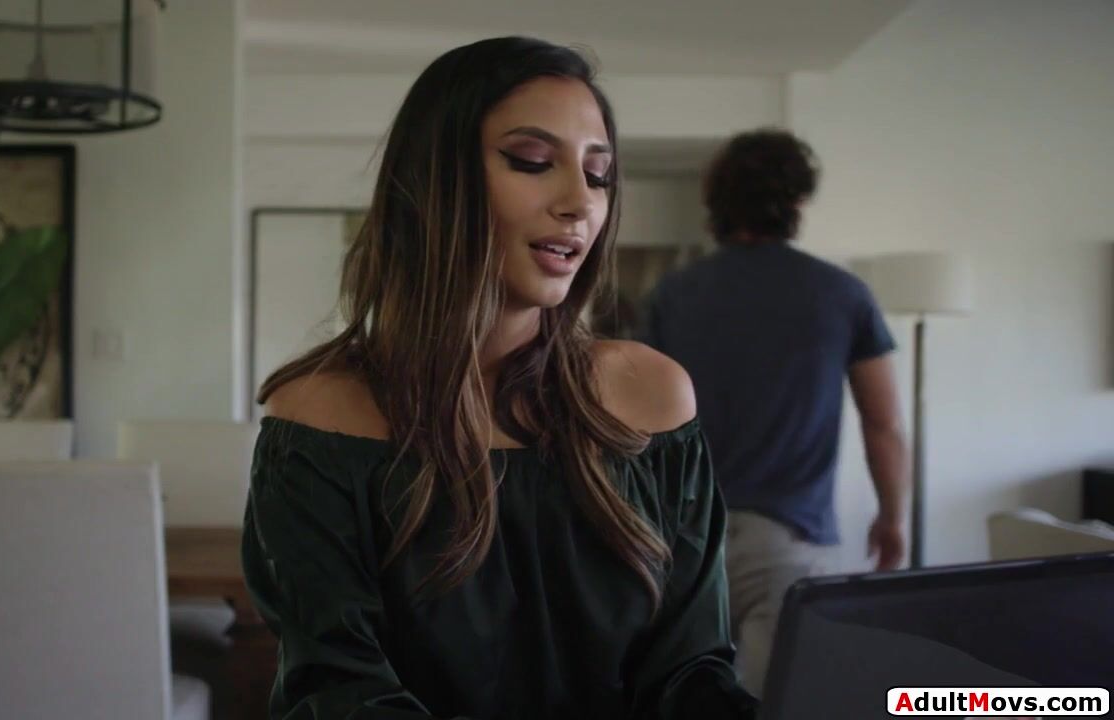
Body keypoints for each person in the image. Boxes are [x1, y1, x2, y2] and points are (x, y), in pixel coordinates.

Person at [241, 37, 757, 720]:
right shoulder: (319, 416)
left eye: (598, 174)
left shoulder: (653, 395)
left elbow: (691, 671)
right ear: (437, 180)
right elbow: (340, 690)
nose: (580, 201)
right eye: (533, 161)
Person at [642, 128, 910, 697]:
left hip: (685, 536)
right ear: (797, 200)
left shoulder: (673, 294)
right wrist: (892, 517)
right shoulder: (842, 294)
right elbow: (883, 423)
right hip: (789, 541)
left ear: (716, 202)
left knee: (692, 699)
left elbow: (639, 423)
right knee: (782, 699)